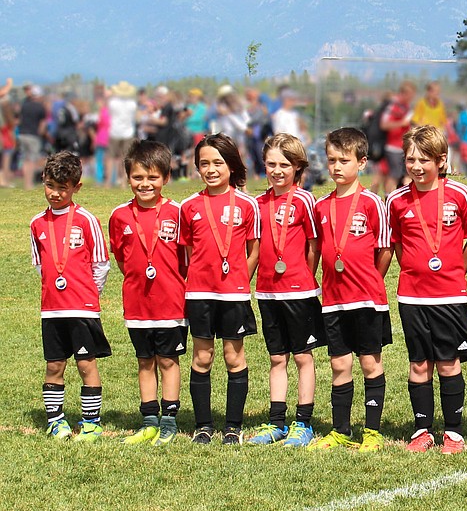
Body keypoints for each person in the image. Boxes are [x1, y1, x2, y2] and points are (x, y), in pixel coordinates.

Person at [387, 125, 467, 454]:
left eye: (424, 160)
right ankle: (422, 429)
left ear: (441, 160)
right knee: (418, 364)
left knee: (448, 362)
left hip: (449, 294)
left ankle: (453, 432)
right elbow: (397, 243)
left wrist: (456, 268)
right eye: (410, 159)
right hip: (412, 295)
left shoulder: (459, 195)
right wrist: (413, 268)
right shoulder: (396, 200)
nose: (416, 166)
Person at [307, 127, 393, 451]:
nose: (336, 167)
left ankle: (372, 431)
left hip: (367, 299)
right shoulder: (321, 206)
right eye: (332, 160)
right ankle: (340, 429)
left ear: (362, 162)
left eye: (344, 160)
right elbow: (318, 248)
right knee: (339, 364)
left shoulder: (372, 203)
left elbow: (384, 249)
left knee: (370, 362)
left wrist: (372, 280)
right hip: (333, 300)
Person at [179, 133, 260, 444]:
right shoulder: (189, 206)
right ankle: (203, 426)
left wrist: (241, 278)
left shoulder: (246, 205)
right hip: (200, 294)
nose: (210, 169)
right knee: (202, 357)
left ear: (231, 165)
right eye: (204, 164)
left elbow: (254, 249)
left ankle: (233, 427)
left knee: (233, 357)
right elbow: (186, 253)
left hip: (233, 295)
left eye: (217, 162)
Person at [249, 134, 325, 447]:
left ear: (297, 168)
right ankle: (276, 422)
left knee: (303, 358)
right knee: (276, 358)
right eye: (271, 164)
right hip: (267, 291)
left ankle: (303, 423)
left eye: (284, 165)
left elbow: (314, 244)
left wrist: (304, 275)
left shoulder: (306, 201)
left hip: (299, 292)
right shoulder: (258, 204)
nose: (277, 170)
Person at [108, 141, 187, 446]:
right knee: (145, 362)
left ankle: (169, 420)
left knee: (168, 361)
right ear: (128, 178)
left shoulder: (177, 213)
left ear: (166, 178)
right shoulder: (119, 216)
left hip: (171, 303)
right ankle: (149, 420)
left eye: (152, 177)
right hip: (137, 304)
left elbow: (186, 258)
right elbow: (121, 258)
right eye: (138, 177)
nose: (145, 184)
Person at [31, 151, 112, 441]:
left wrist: (89, 295)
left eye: (62, 188)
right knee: (54, 365)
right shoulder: (36, 224)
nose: (55, 193)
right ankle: (56, 420)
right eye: (50, 185)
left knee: (86, 364)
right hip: (52, 310)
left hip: (82, 309)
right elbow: (41, 266)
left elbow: (101, 264)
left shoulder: (87, 220)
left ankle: (91, 423)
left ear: (76, 187)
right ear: (43, 181)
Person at [378, 81, 415, 193]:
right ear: (404, 93)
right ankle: (388, 198)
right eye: (410, 95)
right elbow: (384, 125)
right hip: (393, 147)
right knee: (393, 176)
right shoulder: (393, 106)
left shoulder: (406, 106)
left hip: (404, 147)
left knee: (407, 175)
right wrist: (401, 123)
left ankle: (405, 199)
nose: (411, 98)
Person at [107, 81, 138, 187]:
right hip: (128, 132)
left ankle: (108, 181)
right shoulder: (132, 104)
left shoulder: (113, 103)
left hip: (114, 131)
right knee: (125, 158)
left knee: (111, 157)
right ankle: (124, 181)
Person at [18, 84, 49, 190]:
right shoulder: (40, 107)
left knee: (25, 159)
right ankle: (29, 183)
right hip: (33, 135)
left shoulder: (24, 105)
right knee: (32, 160)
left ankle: (26, 182)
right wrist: (41, 134)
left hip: (22, 134)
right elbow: (42, 124)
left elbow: (19, 119)